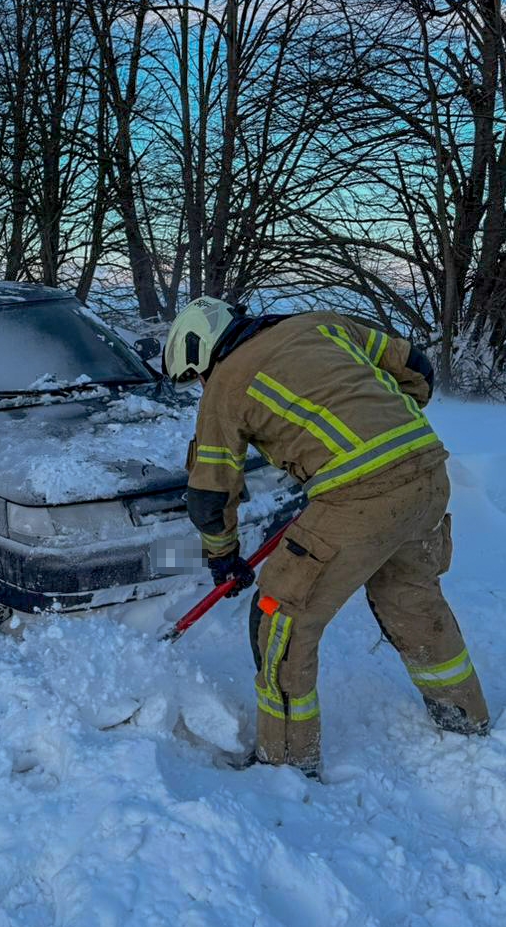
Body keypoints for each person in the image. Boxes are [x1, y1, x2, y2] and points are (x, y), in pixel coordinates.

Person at [163, 297, 489, 778]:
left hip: (359, 498)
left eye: (197, 378)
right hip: (428, 473)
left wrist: (224, 558)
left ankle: (287, 762)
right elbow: (415, 366)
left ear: (203, 354)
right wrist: (385, 426)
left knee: (280, 616)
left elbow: (210, 496)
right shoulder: (322, 324)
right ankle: (464, 716)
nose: (202, 388)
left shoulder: (226, 385)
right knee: (411, 596)